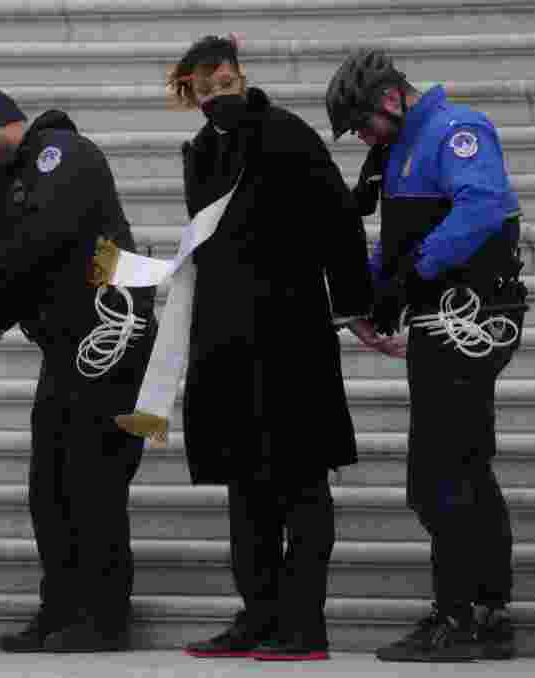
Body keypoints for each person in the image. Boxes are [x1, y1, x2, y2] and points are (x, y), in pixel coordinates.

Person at [158, 35, 377, 662]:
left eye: (225, 83)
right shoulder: (201, 150)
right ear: (190, 94)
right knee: (244, 488)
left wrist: (357, 306)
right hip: (224, 343)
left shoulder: (285, 133)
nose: (216, 97)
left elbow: (339, 220)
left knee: (301, 483)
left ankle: (304, 626)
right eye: (204, 90)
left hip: (290, 336)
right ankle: (258, 615)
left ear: (241, 77)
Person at [326, 48, 528, 662]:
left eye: (361, 122)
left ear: (391, 99)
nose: (360, 136)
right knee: (462, 461)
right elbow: (398, 251)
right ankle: (488, 612)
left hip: (473, 318)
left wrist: (413, 273)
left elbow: (482, 207)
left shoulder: (455, 130)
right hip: (440, 317)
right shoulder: (400, 151)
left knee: (442, 469)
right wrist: (360, 289)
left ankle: (458, 617)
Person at [0, 87, 158, 653]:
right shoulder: (3, 199)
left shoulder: (64, 152)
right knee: (49, 485)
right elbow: (22, 281)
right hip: (65, 347)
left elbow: (45, 236)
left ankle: (105, 617)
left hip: (113, 335)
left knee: (96, 478)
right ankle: (60, 608)